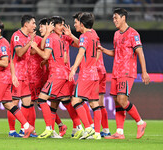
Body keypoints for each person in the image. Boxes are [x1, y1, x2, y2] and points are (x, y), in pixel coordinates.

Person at [99, 8, 150, 139]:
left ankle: (140, 122)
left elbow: (140, 53)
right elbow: (116, 53)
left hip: (127, 72)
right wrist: (104, 50)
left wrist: (144, 72)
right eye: (113, 18)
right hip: (116, 72)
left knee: (122, 100)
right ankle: (119, 132)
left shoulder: (133, 34)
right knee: (116, 101)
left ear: (123, 18)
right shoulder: (116, 34)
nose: (114, 20)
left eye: (116, 18)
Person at [31, 16, 81, 139]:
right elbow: (59, 56)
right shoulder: (59, 38)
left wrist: (35, 47)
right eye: (60, 25)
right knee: (65, 101)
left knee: (41, 99)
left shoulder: (55, 38)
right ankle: (79, 128)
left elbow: (46, 54)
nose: (62, 27)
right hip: (64, 73)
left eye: (63, 25)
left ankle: (49, 128)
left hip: (57, 74)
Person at [69, 12, 102, 140]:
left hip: (86, 74)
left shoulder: (84, 36)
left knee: (75, 101)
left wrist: (74, 68)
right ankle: (97, 133)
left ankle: (88, 129)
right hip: (94, 73)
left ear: (82, 24)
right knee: (94, 103)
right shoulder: (94, 34)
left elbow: (81, 53)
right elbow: (98, 51)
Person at [7, 15, 36, 137]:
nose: (35, 26)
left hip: (25, 74)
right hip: (16, 74)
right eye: (33, 23)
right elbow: (19, 53)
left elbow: (30, 53)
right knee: (14, 103)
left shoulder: (28, 36)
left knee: (27, 102)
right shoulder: (17, 35)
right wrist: (30, 42)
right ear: (26, 24)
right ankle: (12, 131)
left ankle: (23, 129)